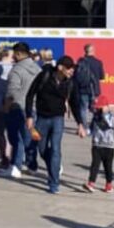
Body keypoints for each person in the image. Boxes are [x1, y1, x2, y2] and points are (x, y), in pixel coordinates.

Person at [26, 55, 83, 194]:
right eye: (69, 69)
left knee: (56, 149)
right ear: (60, 68)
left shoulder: (70, 82)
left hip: (58, 119)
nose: (71, 71)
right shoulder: (45, 75)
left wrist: (80, 123)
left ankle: (54, 183)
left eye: (72, 69)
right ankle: (54, 167)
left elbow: (74, 103)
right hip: (42, 119)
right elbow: (30, 94)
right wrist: (29, 116)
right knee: (42, 149)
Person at [5, 42, 42, 178]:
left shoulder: (16, 70)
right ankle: (32, 165)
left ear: (19, 54)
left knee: (16, 138)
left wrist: (7, 106)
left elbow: (12, 91)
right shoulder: (38, 69)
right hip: (33, 107)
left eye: (14, 53)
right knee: (30, 138)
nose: (13, 56)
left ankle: (16, 166)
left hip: (18, 107)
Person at [84, 95, 114, 194]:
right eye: (97, 108)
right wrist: (86, 132)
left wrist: (103, 116)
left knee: (108, 166)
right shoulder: (95, 117)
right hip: (97, 145)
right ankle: (91, 183)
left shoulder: (112, 118)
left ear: (106, 107)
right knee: (95, 165)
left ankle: (109, 184)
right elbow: (91, 128)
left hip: (109, 146)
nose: (98, 110)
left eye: (100, 107)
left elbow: (112, 127)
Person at [74, 43, 105, 129]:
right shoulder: (98, 62)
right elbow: (102, 77)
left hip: (83, 89)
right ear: (93, 51)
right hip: (95, 90)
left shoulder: (80, 62)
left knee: (83, 109)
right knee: (95, 109)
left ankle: (84, 127)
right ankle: (93, 126)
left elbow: (76, 76)